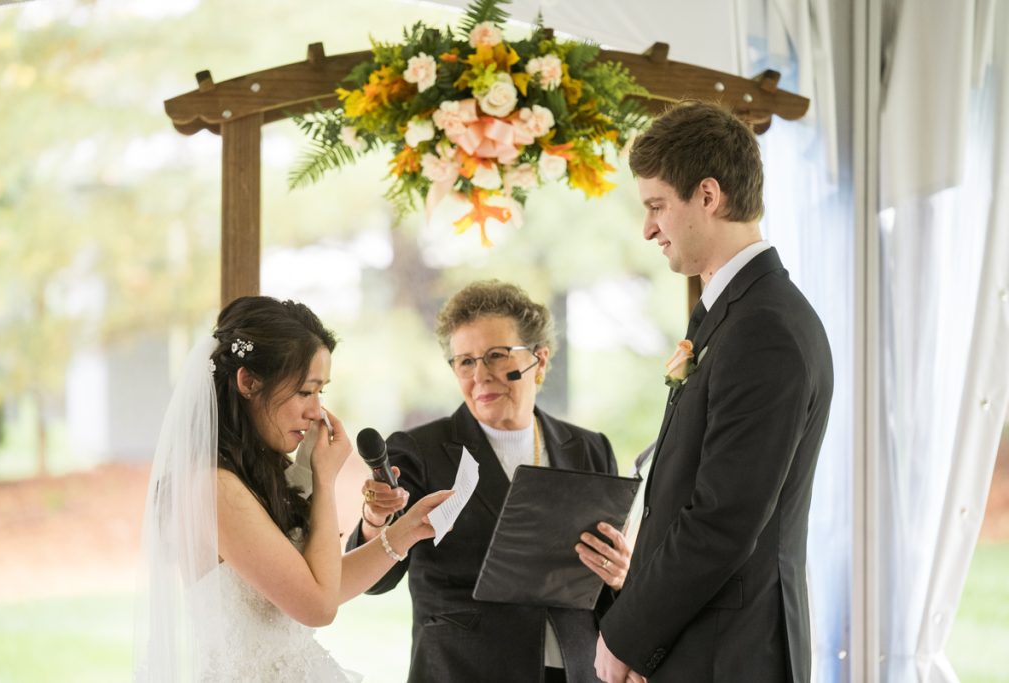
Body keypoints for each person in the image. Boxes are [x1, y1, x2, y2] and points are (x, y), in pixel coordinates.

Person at [594, 101, 834, 683]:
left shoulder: (765, 329)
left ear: (708, 195)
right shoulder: (741, 313)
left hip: (732, 654)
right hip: (707, 646)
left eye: (656, 206)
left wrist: (624, 637)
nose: (648, 227)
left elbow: (722, 521)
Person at [133, 296, 452, 682]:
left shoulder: (254, 476)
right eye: (305, 391)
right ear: (248, 381)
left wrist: (408, 529)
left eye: (321, 392)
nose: (316, 411)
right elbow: (318, 606)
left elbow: (322, 584)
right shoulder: (212, 488)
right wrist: (323, 480)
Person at [347, 280, 630, 683]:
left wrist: (620, 576)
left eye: (496, 356)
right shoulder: (419, 449)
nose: (479, 375)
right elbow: (377, 580)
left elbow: (604, 581)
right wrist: (375, 520)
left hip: (577, 669)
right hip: (463, 669)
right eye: (464, 361)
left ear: (540, 360)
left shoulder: (590, 448)